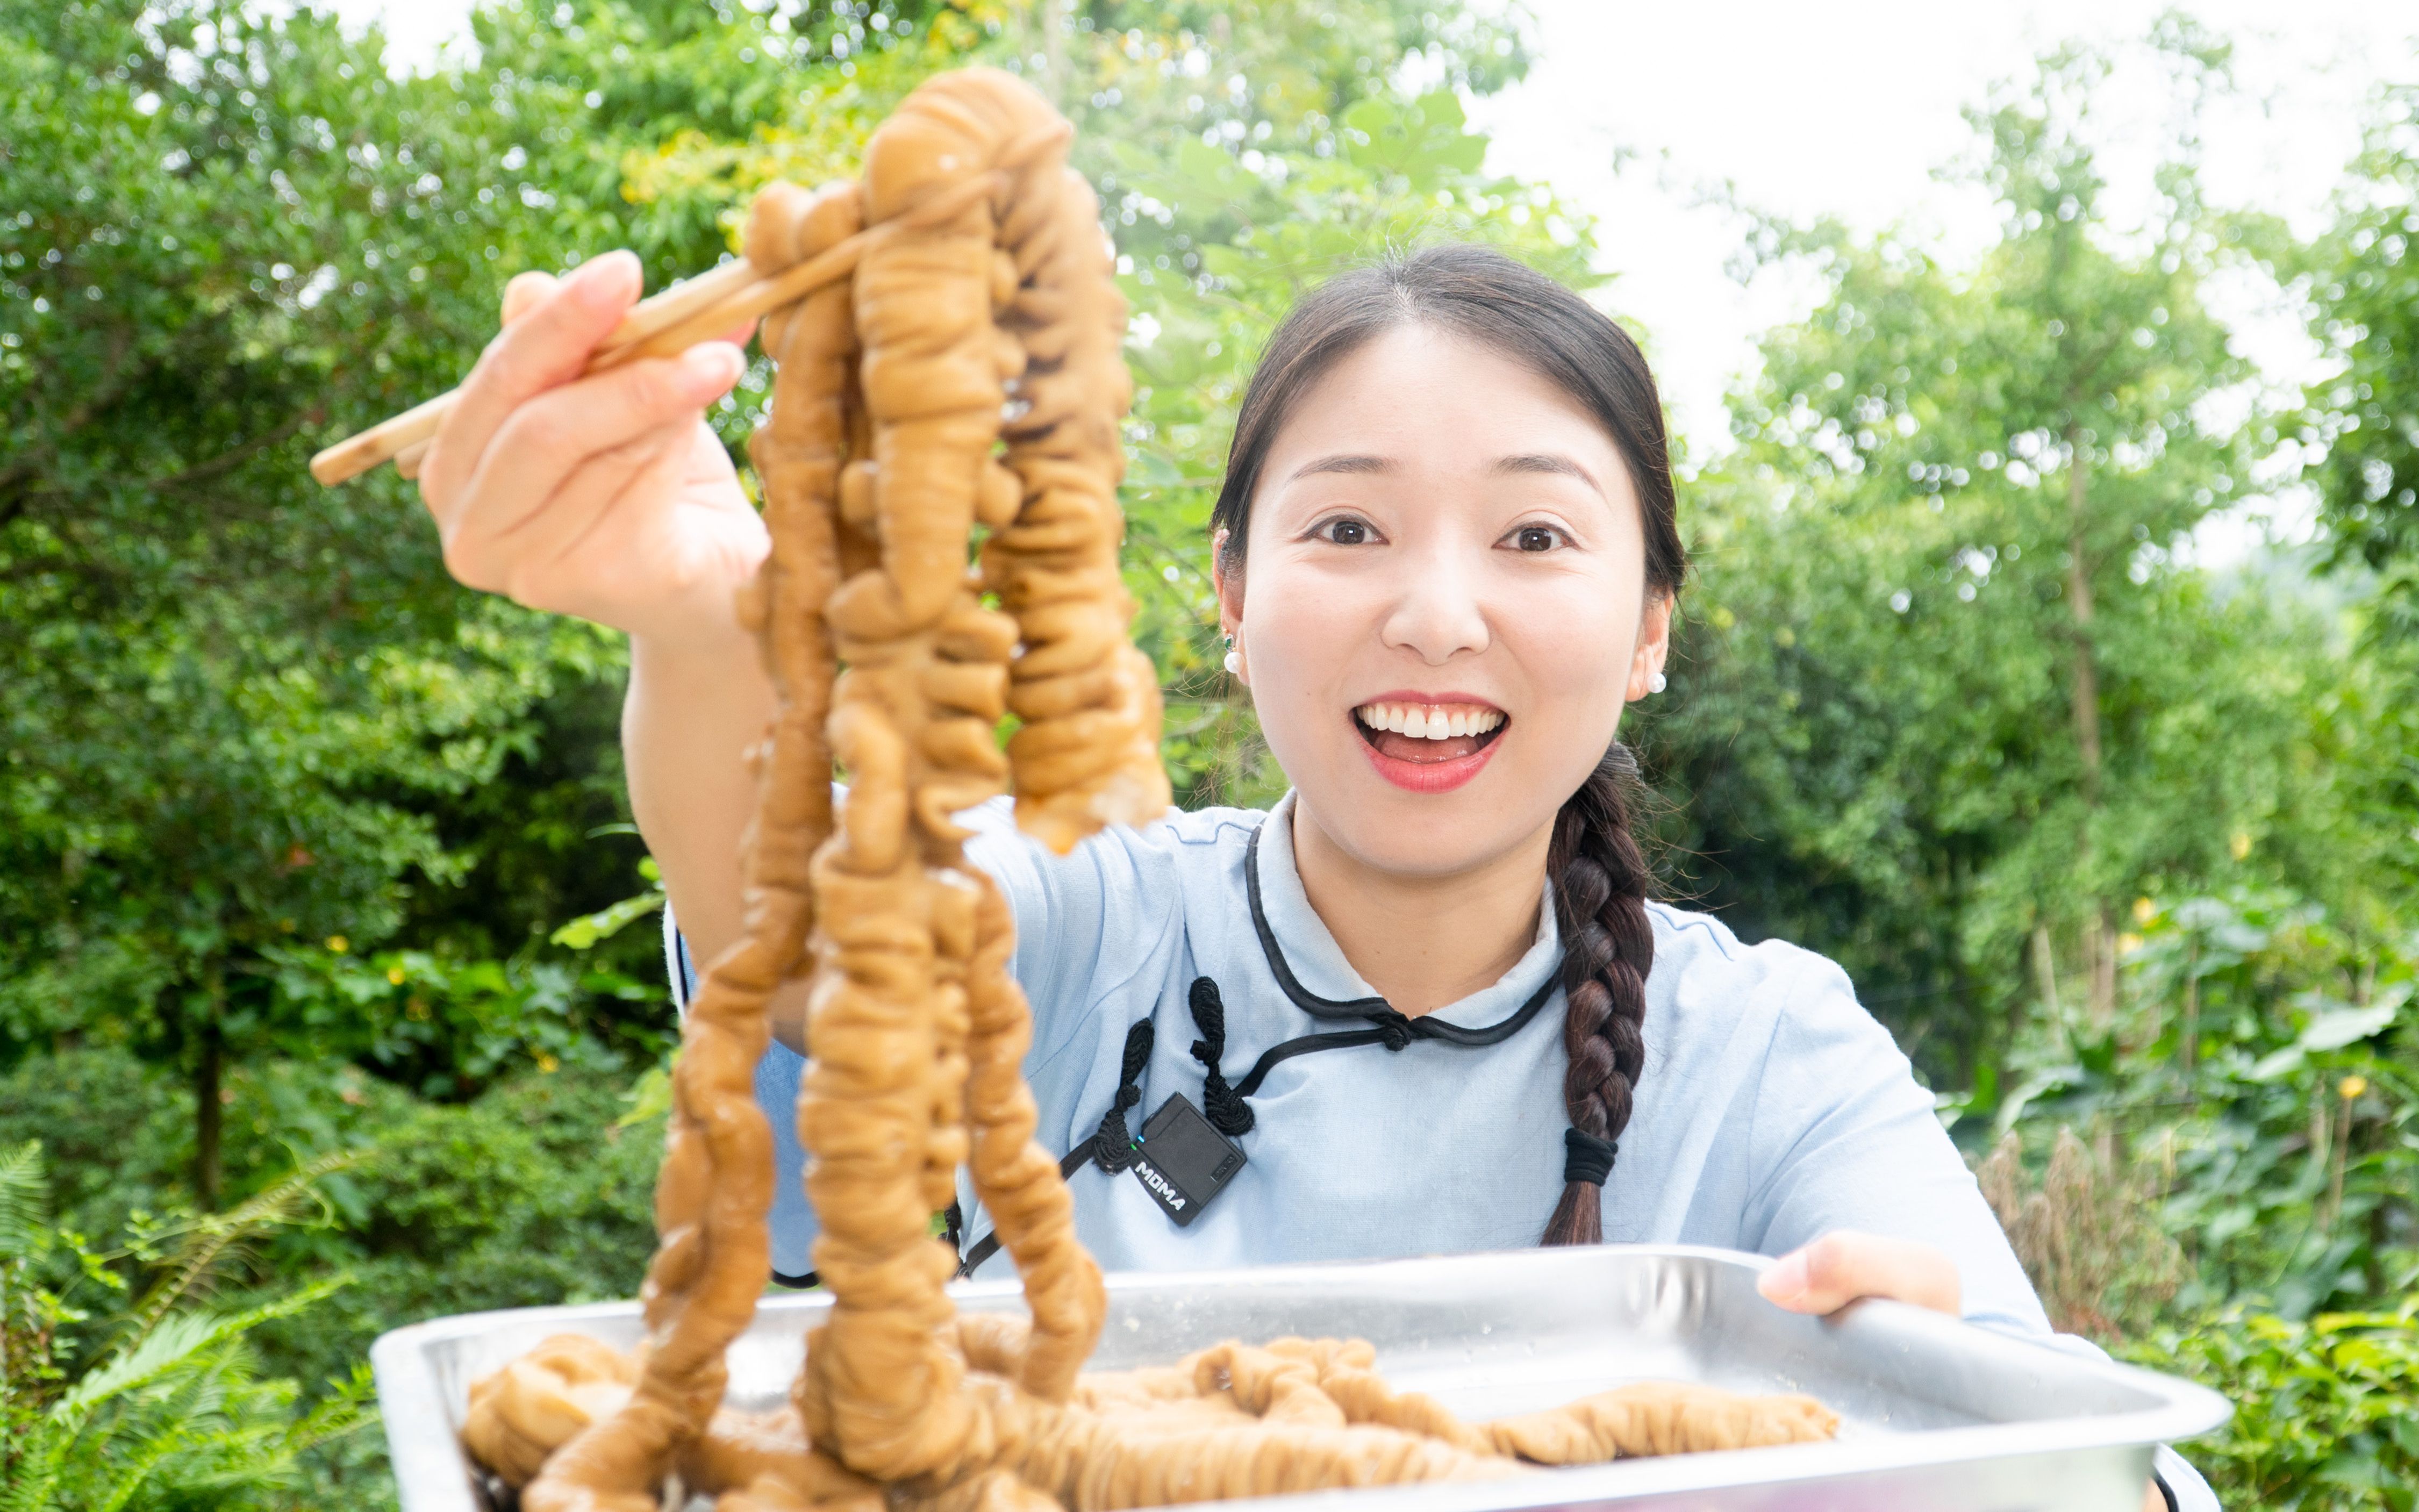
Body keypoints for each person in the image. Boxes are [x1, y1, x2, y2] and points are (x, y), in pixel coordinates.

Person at [417, 241, 2213, 1510]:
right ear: (1229, 593)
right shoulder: (1090, 918)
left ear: (1651, 625)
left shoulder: (1770, 1053)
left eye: (1534, 534)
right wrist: (700, 616)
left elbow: (2090, 1479)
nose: (1435, 611)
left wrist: (1965, 1452)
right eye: (1345, 526)